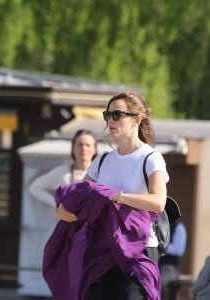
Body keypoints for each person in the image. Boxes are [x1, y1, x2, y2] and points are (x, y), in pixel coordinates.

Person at [52, 91, 169, 300]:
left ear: (136, 119)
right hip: (101, 250)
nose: (110, 121)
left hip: (137, 251)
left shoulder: (151, 158)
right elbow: (79, 197)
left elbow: (158, 202)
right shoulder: (103, 159)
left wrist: (116, 196)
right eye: (108, 115)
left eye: (117, 115)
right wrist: (63, 209)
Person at [29, 129, 98, 206]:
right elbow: (35, 187)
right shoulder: (62, 172)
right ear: (73, 148)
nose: (84, 148)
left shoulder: (101, 173)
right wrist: (57, 205)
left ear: (94, 149)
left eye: (88, 145)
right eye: (80, 144)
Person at [158, 220, 187, 300]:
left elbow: (178, 250)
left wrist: (159, 246)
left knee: (165, 292)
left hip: (169, 268)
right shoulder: (158, 225)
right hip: (157, 265)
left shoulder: (178, 227)